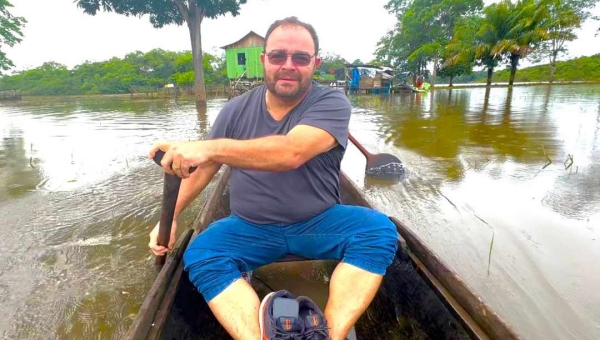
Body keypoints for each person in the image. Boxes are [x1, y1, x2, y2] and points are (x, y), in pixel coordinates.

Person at [148, 16, 398, 340]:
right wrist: (170, 218)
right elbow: (204, 170)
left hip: (318, 222)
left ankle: (328, 334)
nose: (288, 66)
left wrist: (208, 148)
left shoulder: (331, 103)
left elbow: (290, 152)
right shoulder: (235, 110)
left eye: (300, 58)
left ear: (315, 63)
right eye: (278, 56)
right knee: (202, 252)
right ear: (264, 60)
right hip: (250, 226)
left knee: (379, 232)